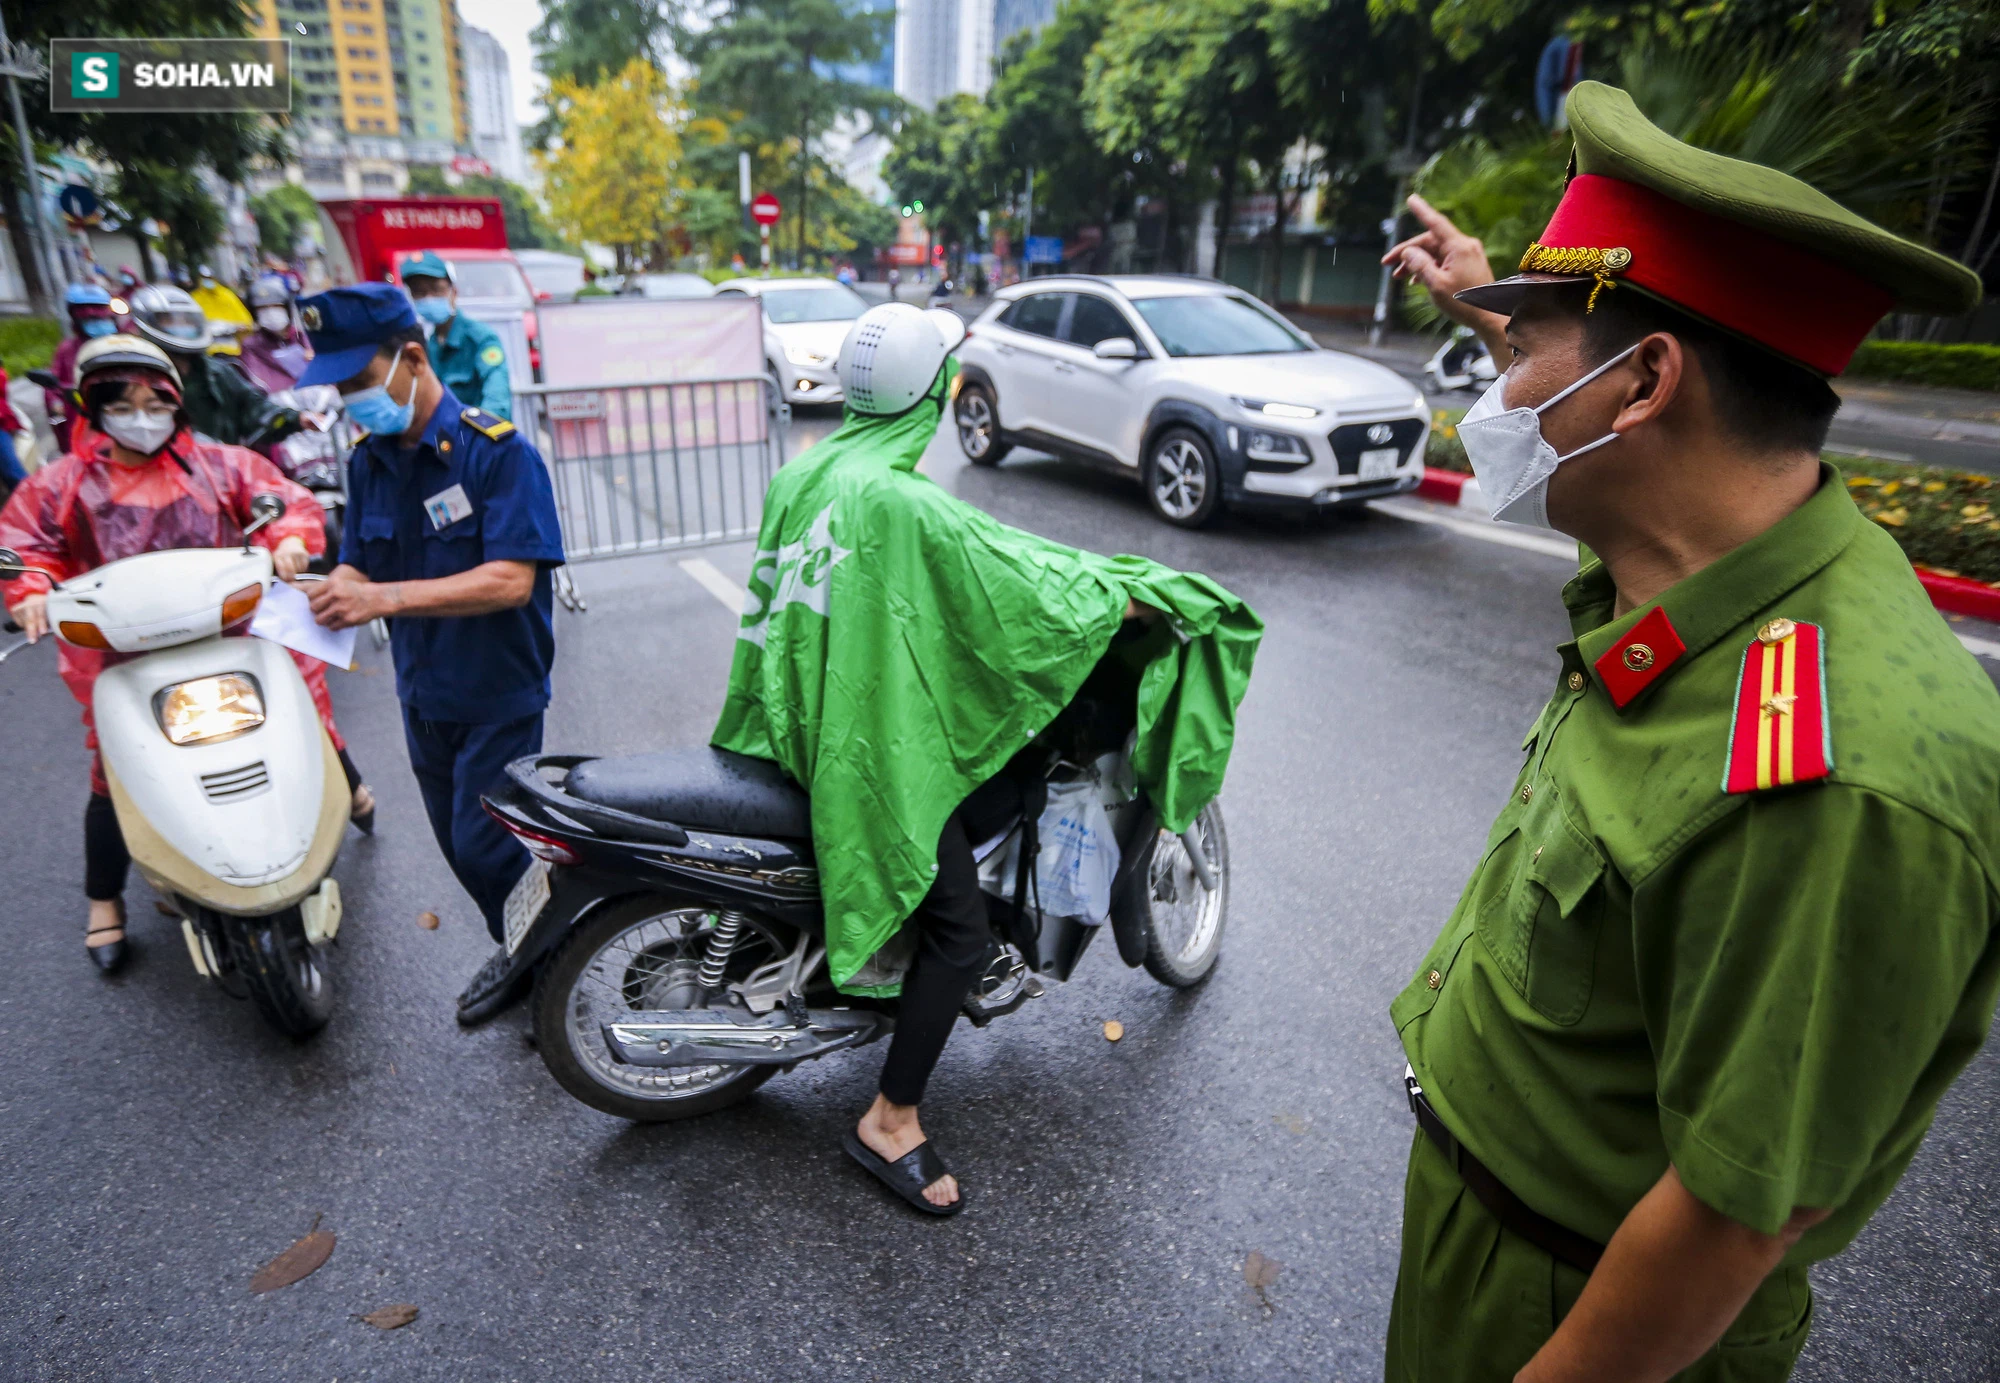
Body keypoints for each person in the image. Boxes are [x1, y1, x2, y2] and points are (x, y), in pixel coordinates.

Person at [1377, 82, 1999, 1383]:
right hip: (1490, 1238)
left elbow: (1734, 1209)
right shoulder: (1692, 578)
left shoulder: (1837, 770)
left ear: (1645, 381)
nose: (1496, 396)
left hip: (1584, 1315)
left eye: (1524, 348)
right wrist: (1513, 308)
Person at [711, 301, 1261, 1213]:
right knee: (961, 936)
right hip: (867, 763)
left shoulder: (813, 470)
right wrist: (1128, 598)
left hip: (793, 730)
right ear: (933, 392)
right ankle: (890, 1118)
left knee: (995, 779)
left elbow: (966, 575)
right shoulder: (900, 500)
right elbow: (1020, 588)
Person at [0, 335, 374, 973]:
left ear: (176, 402)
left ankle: (353, 792)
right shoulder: (62, 484)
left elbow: (284, 500)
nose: (140, 416)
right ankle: (104, 903)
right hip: (123, 653)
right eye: (123, 403)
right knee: (112, 770)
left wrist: (287, 538)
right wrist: (30, 588)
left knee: (302, 711)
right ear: (95, 407)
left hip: (229, 635)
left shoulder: (220, 466)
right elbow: (28, 546)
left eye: (154, 401)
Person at [296, 283, 565, 1024]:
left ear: (410, 358)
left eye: (357, 381)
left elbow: (511, 580)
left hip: (496, 690)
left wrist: (381, 599)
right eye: (340, 388)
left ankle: (549, 971)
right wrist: (325, 588)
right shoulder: (369, 459)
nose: (351, 401)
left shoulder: (498, 454)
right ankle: (523, 949)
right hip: (422, 694)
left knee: (487, 848)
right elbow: (357, 562)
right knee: (460, 848)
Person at [118, 284, 295, 450]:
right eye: (170, 321)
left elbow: (252, 406)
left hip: (219, 470)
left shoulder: (216, 371)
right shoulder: (132, 379)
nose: (181, 327)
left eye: (186, 321)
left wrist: (295, 419)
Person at [399, 251, 513, 421]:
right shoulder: (430, 344)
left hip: (479, 438)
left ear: (454, 292)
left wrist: (474, 433)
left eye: (436, 290)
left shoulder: (480, 338)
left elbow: (498, 399)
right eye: (419, 292)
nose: (428, 298)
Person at [47, 283, 119, 455]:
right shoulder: (66, 349)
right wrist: (56, 403)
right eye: (88, 314)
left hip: (117, 410)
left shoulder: (119, 344)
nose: (95, 316)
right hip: (79, 412)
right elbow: (53, 382)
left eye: (99, 311)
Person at [239, 276, 312, 393]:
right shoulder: (251, 346)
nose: (270, 313)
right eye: (262, 309)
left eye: (276, 306)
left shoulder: (301, 337)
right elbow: (256, 383)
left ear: (286, 308)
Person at [191, 264, 255, 356]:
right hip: (207, 350)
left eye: (209, 278)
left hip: (231, 349)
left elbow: (245, 321)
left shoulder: (227, 295)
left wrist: (241, 327)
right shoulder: (195, 297)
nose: (207, 281)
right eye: (204, 278)